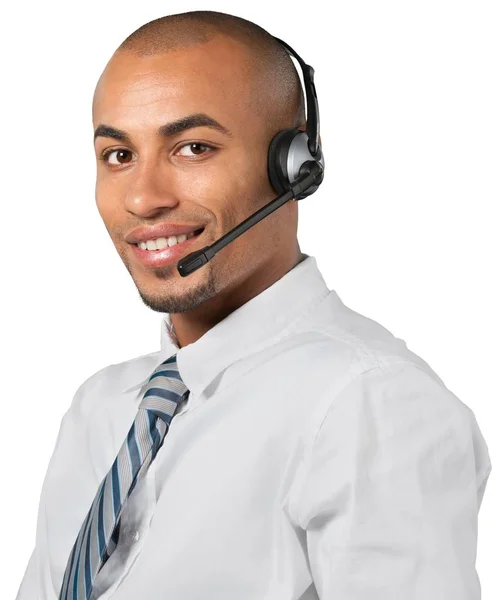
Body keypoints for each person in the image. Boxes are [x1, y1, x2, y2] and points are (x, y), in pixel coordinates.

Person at [16, 10, 491, 600]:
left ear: (295, 167)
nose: (142, 198)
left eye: (192, 148)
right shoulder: (99, 409)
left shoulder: (369, 406)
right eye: (118, 155)